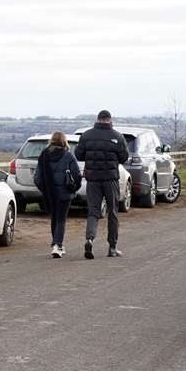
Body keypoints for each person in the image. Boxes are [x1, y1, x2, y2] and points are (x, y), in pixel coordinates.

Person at [74, 109, 130, 259]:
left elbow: (78, 155)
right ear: (110, 120)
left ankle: (89, 239)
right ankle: (112, 247)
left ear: (97, 119)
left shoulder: (86, 136)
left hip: (92, 179)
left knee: (93, 211)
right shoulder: (117, 136)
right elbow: (124, 157)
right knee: (112, 212)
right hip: (110, 179)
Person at [33, 130, 81, 257]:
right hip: (64, 193)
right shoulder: (68, 156)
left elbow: (37, 178)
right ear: (64, 141)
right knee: (61, 219)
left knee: (54, 218)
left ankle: (56, 244)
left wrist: (44, 190)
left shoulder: (43, 155)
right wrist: (74, 188)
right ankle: (57, 245)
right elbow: (76, 175)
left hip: (49, 193)